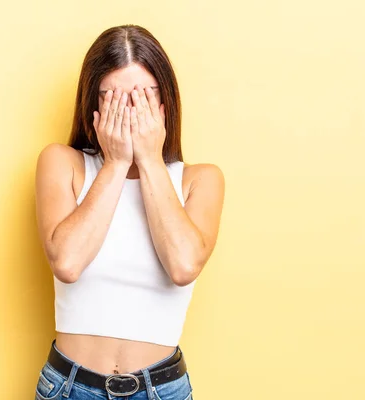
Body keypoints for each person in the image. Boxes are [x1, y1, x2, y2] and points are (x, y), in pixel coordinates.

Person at [34, 24, 225, 400]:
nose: (127, 113)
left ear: (164, 105)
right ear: (93, 107)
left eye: (139, 99)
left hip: (161, 389)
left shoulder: (200, 180)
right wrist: (116, 162)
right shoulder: (62, 163)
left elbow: (183, 266)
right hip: (71, 387)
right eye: (114, 101)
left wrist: (151, 160)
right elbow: (67, 263)